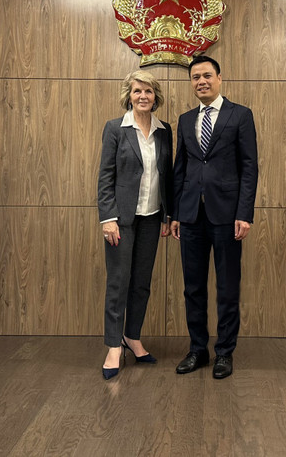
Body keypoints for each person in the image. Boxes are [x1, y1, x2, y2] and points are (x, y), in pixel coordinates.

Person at [171, 55, 258, 379]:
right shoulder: (185, 119)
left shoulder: (241, 116)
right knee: (192, 288)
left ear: (219, 79)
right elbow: (181, 169)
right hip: (191, 215)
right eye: (195, 77)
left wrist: (244, 213)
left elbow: (250, 168)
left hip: (226, 216)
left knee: (227, 287)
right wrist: (176, 213)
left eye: (207, 75)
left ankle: (224, 352)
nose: (201, 81)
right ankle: (197, 350)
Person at [98, 70, 173, 380]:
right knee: (118, 282)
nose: (143, 96)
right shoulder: (115, 129)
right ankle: (114, 345)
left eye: (149, 91)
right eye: (137, 91)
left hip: (153, 218)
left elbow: (167, 177)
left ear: (156, 97)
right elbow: (105, 176)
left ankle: (132, 336)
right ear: (128, 95)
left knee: (142, 281)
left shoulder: (165, 130)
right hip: (122, 220)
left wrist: (168, 216)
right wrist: (108, 218)